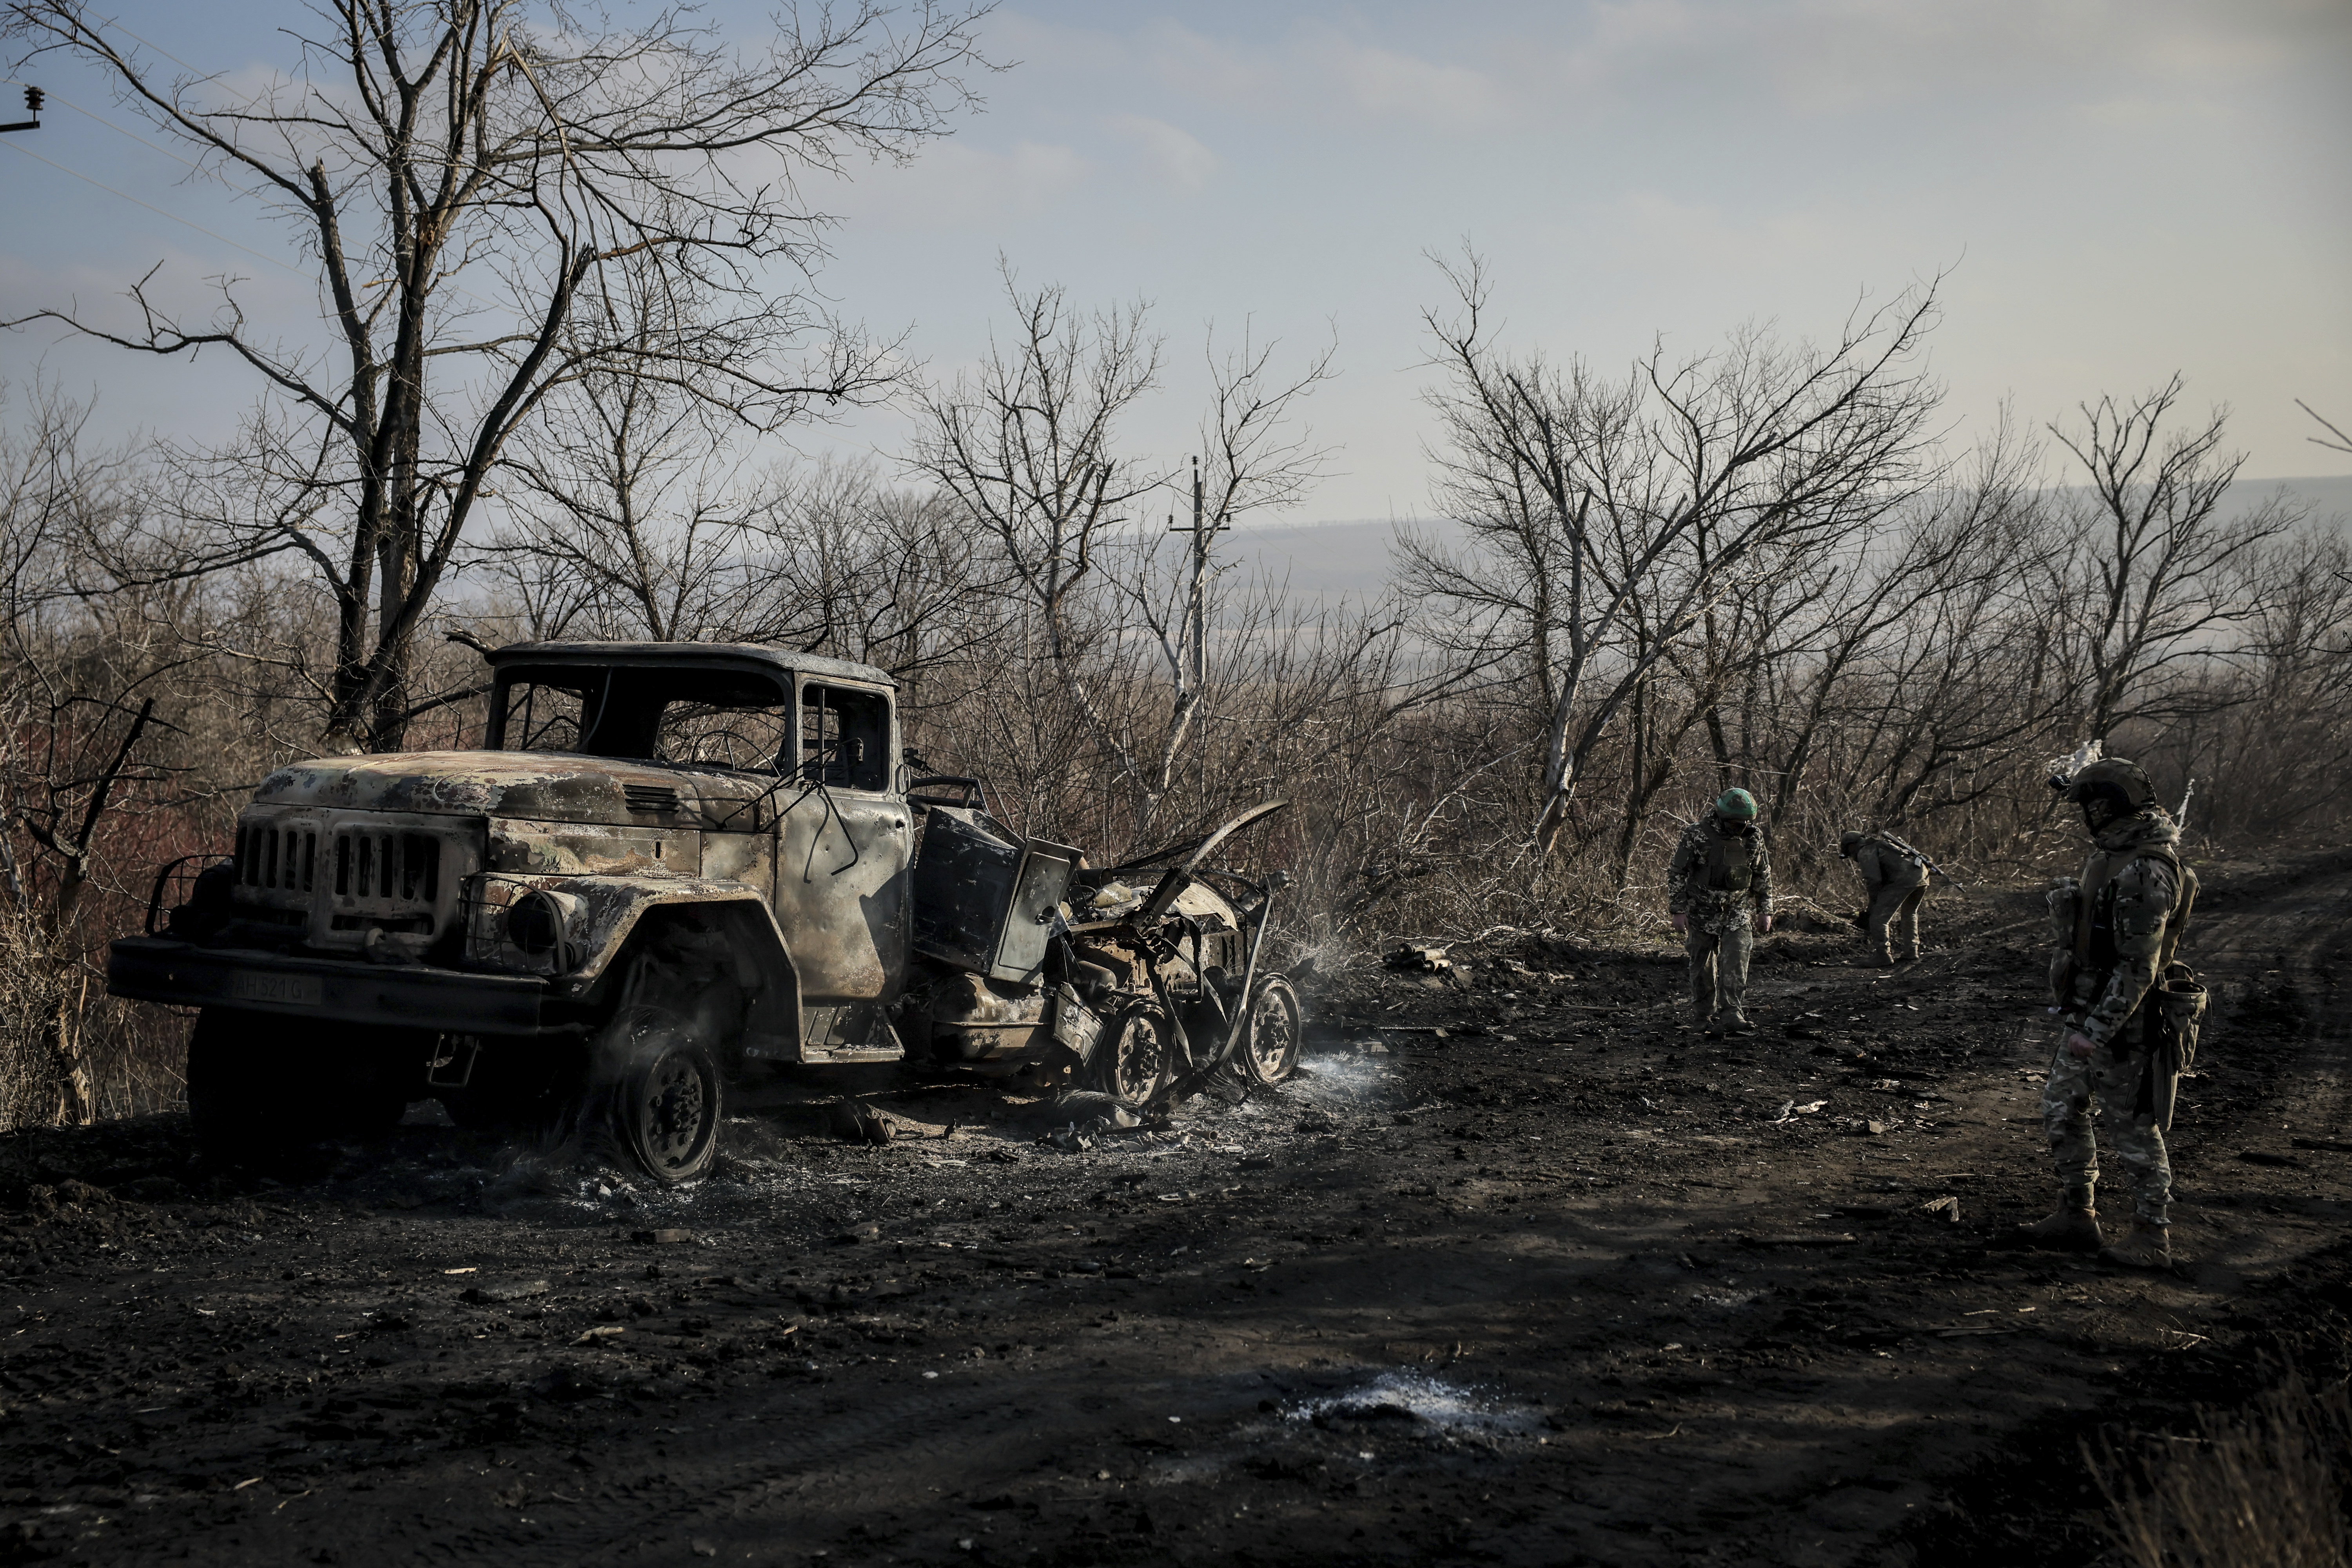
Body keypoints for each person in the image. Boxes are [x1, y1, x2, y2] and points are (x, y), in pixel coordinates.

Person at [2018, 757, 2200, 1270]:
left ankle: (2152, 1235)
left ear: (2108, 807)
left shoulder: (2148, 869)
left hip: (2129, 1021)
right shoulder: (2116, 858)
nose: (2084, 816)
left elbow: (2138, 968)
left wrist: (2097, 1030)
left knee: (2135, 1128)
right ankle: (2077, 1214)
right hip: (2090, 1010)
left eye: (2089, 805)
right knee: (2061, 1106)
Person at [1668, 789, 1775, 1036]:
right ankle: (1703, 1015)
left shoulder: (1753, 837)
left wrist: (1765, 911)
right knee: (1702, 967)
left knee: (1736, 961)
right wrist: (1678, 910)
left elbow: (1762, 874)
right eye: (1736, 823)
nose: (1741, 827)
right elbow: (1678, 872)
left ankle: (1732, 1013)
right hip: (1702, 911)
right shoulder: (1696, 835)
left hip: (1737, 911)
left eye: (1746, 822)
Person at [1839, 829, 1929, 965]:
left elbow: (1874, 879)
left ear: (1851, 846)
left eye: (1850, 854)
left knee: (1878, 918)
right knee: (1910, 914)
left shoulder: (1866, 851)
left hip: (1903, 880)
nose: (1853, 857)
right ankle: (1911, 952)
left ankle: (1883, 955)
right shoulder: (1883, 844)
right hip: (1922, 876)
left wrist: (1874, 901)